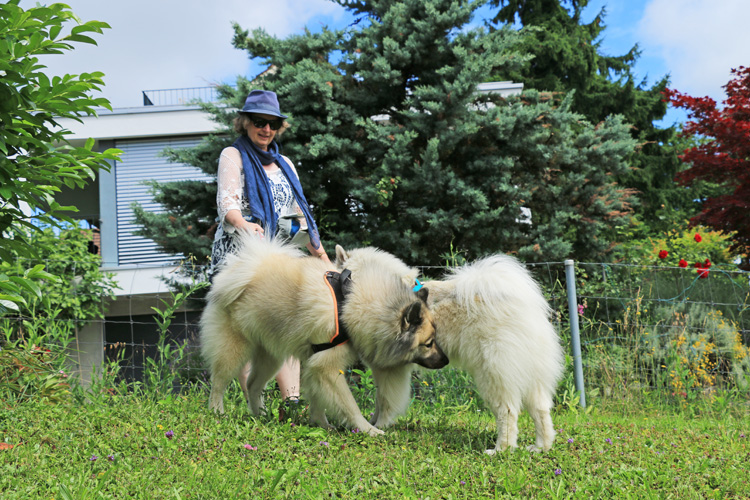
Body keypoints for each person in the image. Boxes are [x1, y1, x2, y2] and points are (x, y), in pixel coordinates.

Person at [210, 89, 331, 409]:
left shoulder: (284, 163)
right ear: (245, 123)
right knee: (244, 330)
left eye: (273, 124)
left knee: (283, 324)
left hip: (276, 256)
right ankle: (255, 402)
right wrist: (244, 225)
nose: (266, 129)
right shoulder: (232, 156)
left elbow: (299, 212)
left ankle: (291, 400)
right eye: (259, 122)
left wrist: (320, 254)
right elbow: (227, 203)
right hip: (241, 255)